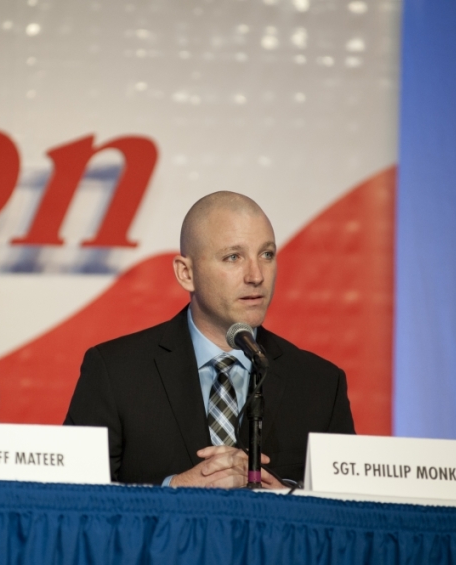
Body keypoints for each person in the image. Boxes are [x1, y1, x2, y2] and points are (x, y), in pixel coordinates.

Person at [65, 191, 355, 488]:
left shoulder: (320, 384)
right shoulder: (116, 372)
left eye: (266, 254)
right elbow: (72, 500)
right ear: (186, 273)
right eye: (233, 257)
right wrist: (173, 490)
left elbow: (350, 517)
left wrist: (290, 503)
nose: (256, 276)